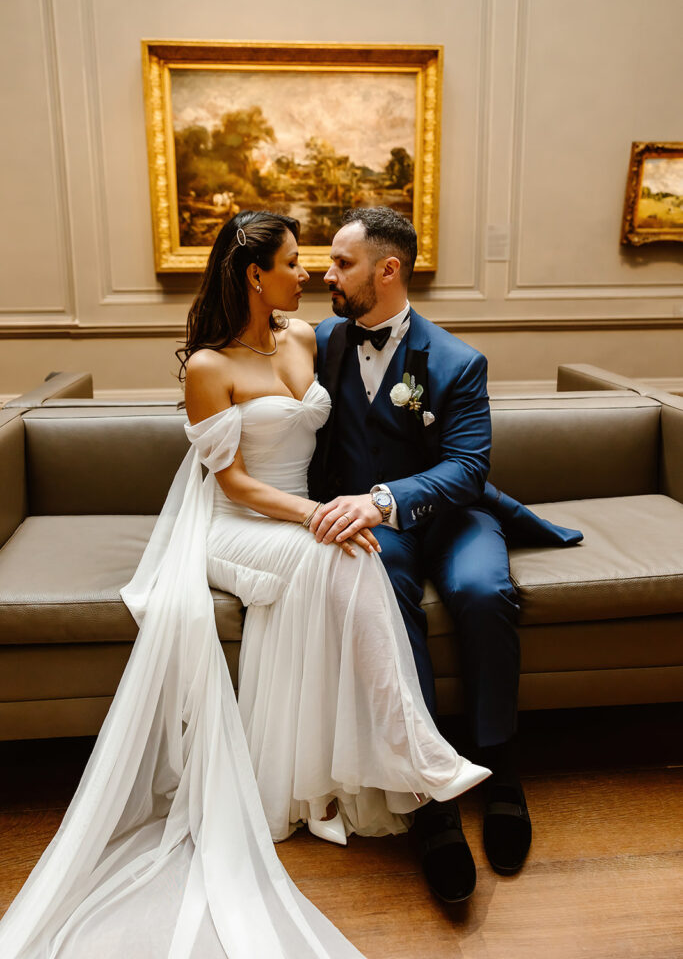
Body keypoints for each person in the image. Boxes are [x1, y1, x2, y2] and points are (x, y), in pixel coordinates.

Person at [0, 210, 489, 959]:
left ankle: (396, 757)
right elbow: (228, 480)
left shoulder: (308, 339)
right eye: (296, 263)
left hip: (298, 516)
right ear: (255, 274)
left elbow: (377, 389)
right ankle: (419, 757)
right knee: (348, 552)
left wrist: (336, 511)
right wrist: (314, 515)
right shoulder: (208, 366)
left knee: (350, 554)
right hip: (237, 522)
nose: (311, 275)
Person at [309, 206, 581, 904]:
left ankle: (499, 764)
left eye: (341, 262)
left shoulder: (457, 361)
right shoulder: (317, 343)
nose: (326, 272)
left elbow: (466, 467)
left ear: (387, 269)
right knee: (385, 602)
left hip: (455, 517)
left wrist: (382, 498)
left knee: (484, 594)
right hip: (379, 531)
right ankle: (429, 797)